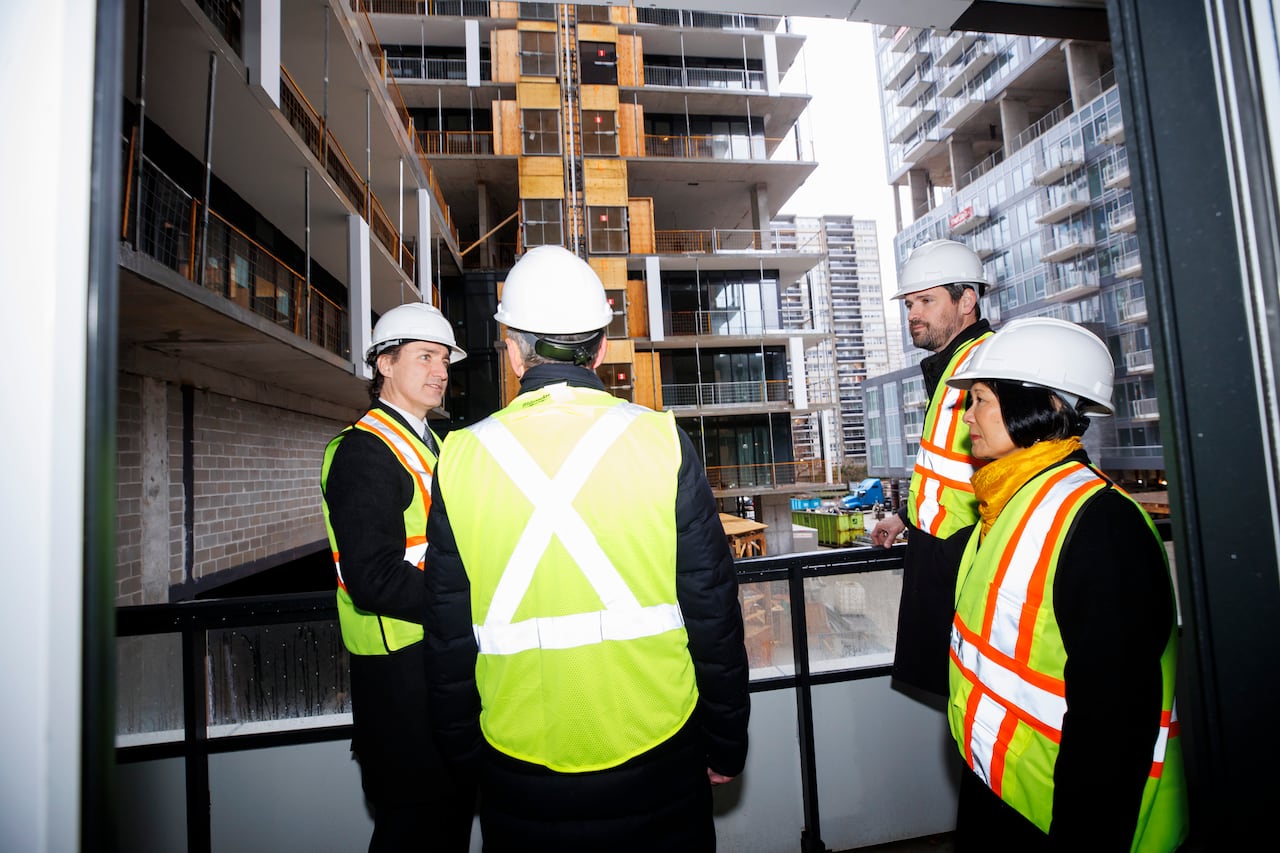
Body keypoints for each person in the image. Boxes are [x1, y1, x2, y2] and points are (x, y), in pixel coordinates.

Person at [422, 245, 750, 851]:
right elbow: (711, 607)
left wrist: (467, 755)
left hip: (519, 761)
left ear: (513, 351)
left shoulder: (461, 458)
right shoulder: (661, 441)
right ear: (600, 349)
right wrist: (727, 737)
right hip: (659, 752)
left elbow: (446, 631)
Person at [943, 317, 1189, 850]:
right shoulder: (1003, 504)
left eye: (980, 399)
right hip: (1004, 791)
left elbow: (1114, 728)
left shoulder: (1101, 524)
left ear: (1048, 405)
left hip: (1068, 820)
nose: (967, 418)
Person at [320, 301, 476, 852]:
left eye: (446, 361)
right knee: (417, 828)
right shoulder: (365, 453)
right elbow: (373, 578)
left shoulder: (430, 443)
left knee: (447, 821)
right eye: (426, 357)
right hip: (399, 677)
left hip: (432, 660)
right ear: (384, 364)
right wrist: (468, 605)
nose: (440, 372)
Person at [870, 239, 993, 699]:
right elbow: (950, 466)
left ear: (967, 300)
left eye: (926, 300)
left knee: (973, 689)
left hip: (965, 560)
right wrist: (906, 517)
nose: (913, 314)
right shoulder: (952, 366)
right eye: (909, 303)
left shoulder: (984, 364)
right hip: (941, 552)